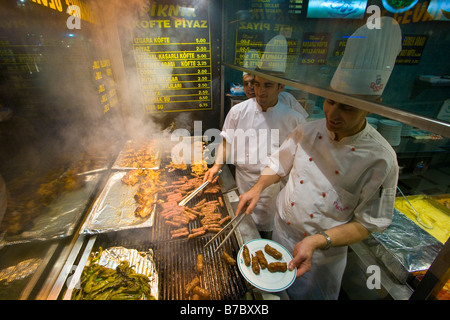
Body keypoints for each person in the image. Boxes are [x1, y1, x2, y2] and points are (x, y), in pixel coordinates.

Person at [235, 17, 402, 299]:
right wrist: (257, 187)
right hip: (280, 234)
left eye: (347, 108)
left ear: (374, 105)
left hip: (321, 254)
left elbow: (368, 222)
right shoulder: (307, 130)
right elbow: (278, 164)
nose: (332, 115)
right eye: (330, 101)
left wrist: (318, 240)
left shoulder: (381, 159)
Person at [204, 74, 307, 238]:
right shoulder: (238, 111)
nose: (260, 91)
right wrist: (217, 166)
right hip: (243, 180)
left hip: (273, 189)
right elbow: (226, 142)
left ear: (281, 87)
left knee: (268, 231)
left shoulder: (294, 119)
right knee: (242, 227)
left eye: (268, 85)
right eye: (257, 84)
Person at [242, 72, 309, 119]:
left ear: (281, 87)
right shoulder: (241, 110)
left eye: (267, 86)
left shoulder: (286, 99)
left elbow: (303, 123)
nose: (250, 87)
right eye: (257, 84)